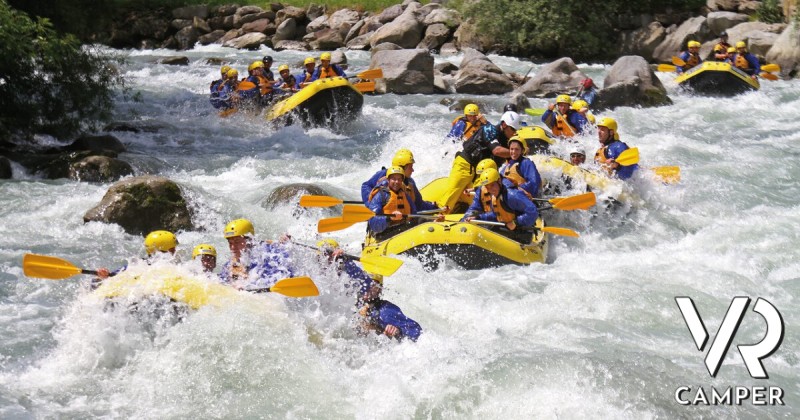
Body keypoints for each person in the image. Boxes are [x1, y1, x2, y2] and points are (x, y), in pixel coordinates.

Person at [436, 111, 521, 212]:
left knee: (483, 198)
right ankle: (438, 216)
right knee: (451, 194)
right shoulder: (489, 129)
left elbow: (513, 163)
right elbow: (496, 150)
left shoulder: (508, 142)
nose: (514, 132)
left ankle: (468, 212)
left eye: (515, 130)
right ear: (504, 125)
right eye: (513, 129)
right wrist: (517, 152)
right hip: (465, 164)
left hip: (480, 173)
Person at [219, 218, 295, 289]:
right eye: (230, 243)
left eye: (237, 242)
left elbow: (278, 274)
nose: (233, 247)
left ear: (249, 240)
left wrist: (284, 245)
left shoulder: (266, 253)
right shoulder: (228, 266)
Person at [367, 166, 439, 235]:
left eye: (399, 179)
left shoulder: (405, 195)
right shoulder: (380, 196)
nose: (396, 182)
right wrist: (389, 218)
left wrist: (432, 220)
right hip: (385, 232)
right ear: (388, 180)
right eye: (394, 179)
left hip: (403, 228)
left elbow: (414, 215)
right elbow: (373, 222)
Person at [462, 168, 539, 231]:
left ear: (499, 181)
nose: (490, 190)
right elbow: (498, 215)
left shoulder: (512, 195)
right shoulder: (496, 196)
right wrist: (478, 217)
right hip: (509, 228)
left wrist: (516, 222)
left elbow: (533, 211)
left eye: (492, 185)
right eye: (487, 187)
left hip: (523, 229)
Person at [361, 149, 431, 213]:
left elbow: (419, 204)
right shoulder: (384, 174)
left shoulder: (410, 182)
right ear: (403, 168)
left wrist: (434, 206)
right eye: (411, 167)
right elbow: (366, 186)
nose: (413, 170)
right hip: (384, 216)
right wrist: (371, 205)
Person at [94, 230, 179, 281]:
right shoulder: (138, 265)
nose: (175, 252)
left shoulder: (176, 266)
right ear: (160, 251)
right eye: (172, 249)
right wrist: (104, 274)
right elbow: (111, 276)